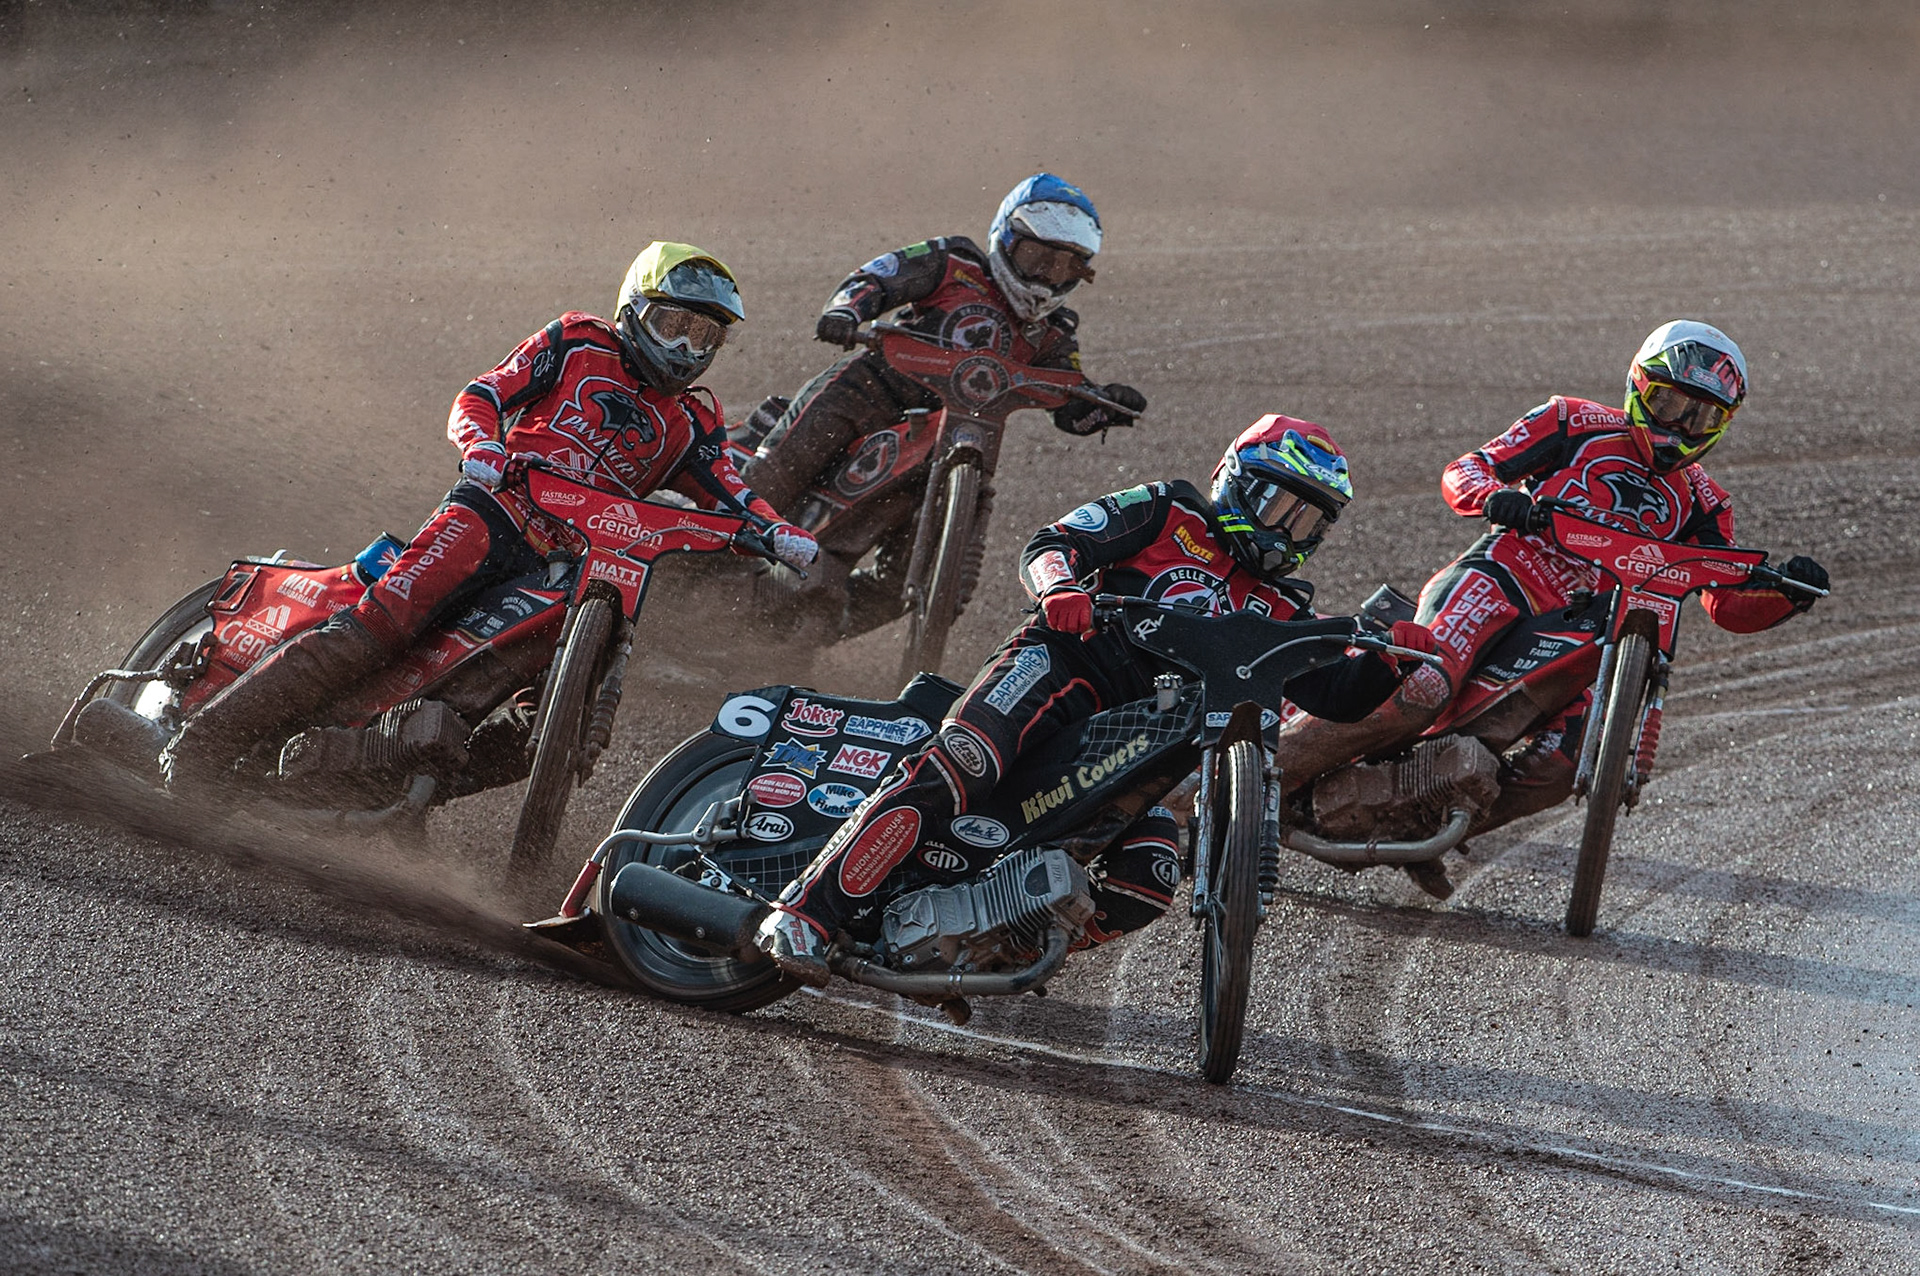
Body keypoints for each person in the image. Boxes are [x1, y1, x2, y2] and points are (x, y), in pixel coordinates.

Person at [756, 415, 1437, 986]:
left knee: (1150, 874)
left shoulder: (1283, 606)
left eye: (1308, 520)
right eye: (1280, 507)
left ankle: (994, 945)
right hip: (1061, 665)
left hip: (1143, 734)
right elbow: (1055, 542)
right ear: (1235, 480)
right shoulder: (1170, 509)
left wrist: (1390, 661)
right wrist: (1059, 589)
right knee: (963, 762)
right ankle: (802, 914)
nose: (1288, 531)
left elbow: (1336, 698)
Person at [163, 242, 818, 787]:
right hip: (495, 509)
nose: (686, 347)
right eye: (674, 324)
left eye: (705, 335)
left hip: (573, 569)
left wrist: (781, 533)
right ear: (634, 310)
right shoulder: (577, 341)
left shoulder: (695, 419)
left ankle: (388, 774)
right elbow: (481, 394)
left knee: (556, 729)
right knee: (382, 624)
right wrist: (480, 445)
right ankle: (199, 747)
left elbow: (733, 490)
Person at [1270, 320, 1831, 848]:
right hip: (1502, 577)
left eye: (1700, 417)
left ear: (1722, 424)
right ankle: (1264, 781)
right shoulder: (1572, 420)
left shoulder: (1707, 503)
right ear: (1639, 387)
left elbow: (1726, 601)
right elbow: (1467, 469)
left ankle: (1421, 825)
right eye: (1668, 404)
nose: (1679, 427)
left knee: (1565, 765)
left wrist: (1787, 594)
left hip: (1591, 631)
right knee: (1422, 688)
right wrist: (1495, 497)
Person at [736, 173, 1149, 635]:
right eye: (1036, 258)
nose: (1045, 278)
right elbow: (879, 276)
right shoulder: (954, 261)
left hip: (954, 443)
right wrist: (846, 311)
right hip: (867, 389)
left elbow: (1067, 400)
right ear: (1005, 240)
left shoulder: (1055, 331)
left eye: (1064, 268)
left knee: (922, 586)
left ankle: (795, 633)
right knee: (773, 477)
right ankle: (696, 564)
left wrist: (1103, 406)